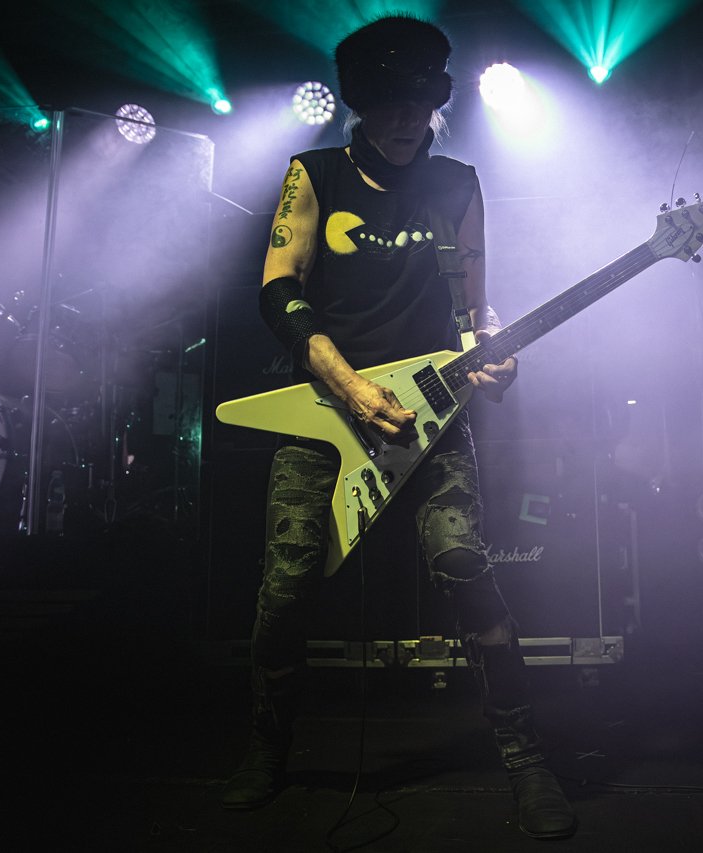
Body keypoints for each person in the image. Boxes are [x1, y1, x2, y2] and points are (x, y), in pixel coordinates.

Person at [218, 15, 576, 840]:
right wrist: (347, 386)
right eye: (388, 102)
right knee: (286, 584)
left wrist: (493, 354)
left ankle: (526, 755)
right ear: (359, 103)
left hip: (430, 412)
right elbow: (278, 287)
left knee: (464, 564)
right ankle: (267, 746)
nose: (407, 117)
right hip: (323, 410)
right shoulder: (313, 173)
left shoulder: (457, 183)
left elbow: (475, 307)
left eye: (420, 100)